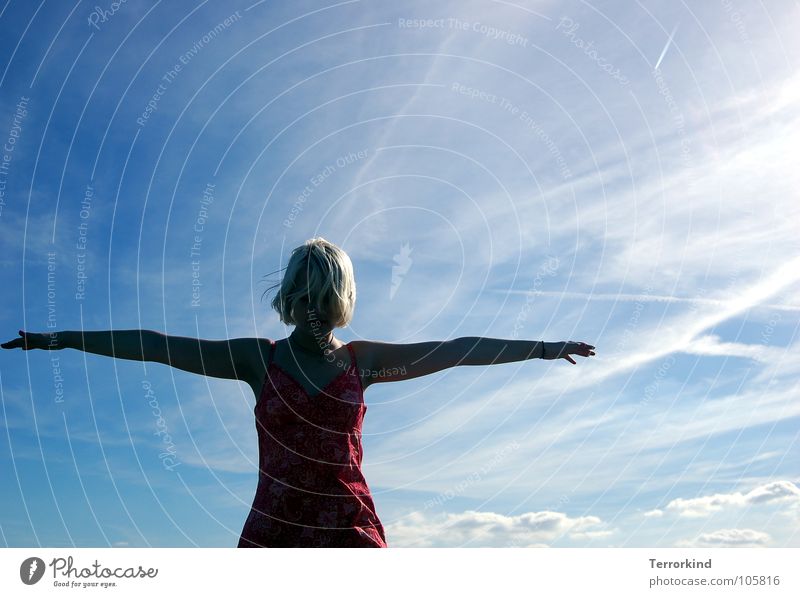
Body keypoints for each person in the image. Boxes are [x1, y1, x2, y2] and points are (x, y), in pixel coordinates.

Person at [2, 237, 596, 547]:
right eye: (303, 293)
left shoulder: (366, 364)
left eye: (323, 293)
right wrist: (57, 339)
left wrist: (541, 348)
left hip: (350, 532)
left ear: (340, 299)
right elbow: (154, 342)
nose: (313, 305)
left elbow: (458, 349)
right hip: (274, 532)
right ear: (290, 296)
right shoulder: (256, 360)